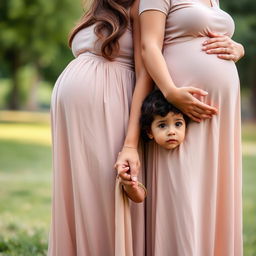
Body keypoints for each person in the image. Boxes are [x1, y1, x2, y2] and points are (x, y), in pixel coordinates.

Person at [115, 0, 245, 255]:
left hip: (220, 119)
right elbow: (148, 46)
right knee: (182, 197)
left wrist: (238, 48)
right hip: (176, 112)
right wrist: (171, 92)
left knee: (213, 195)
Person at [47, 0, 153, 255]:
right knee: (79, 193)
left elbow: (147, 70)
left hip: (112, 105)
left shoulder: (144, 6)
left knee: (106, 189)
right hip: (74, 120)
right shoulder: (101, 7)